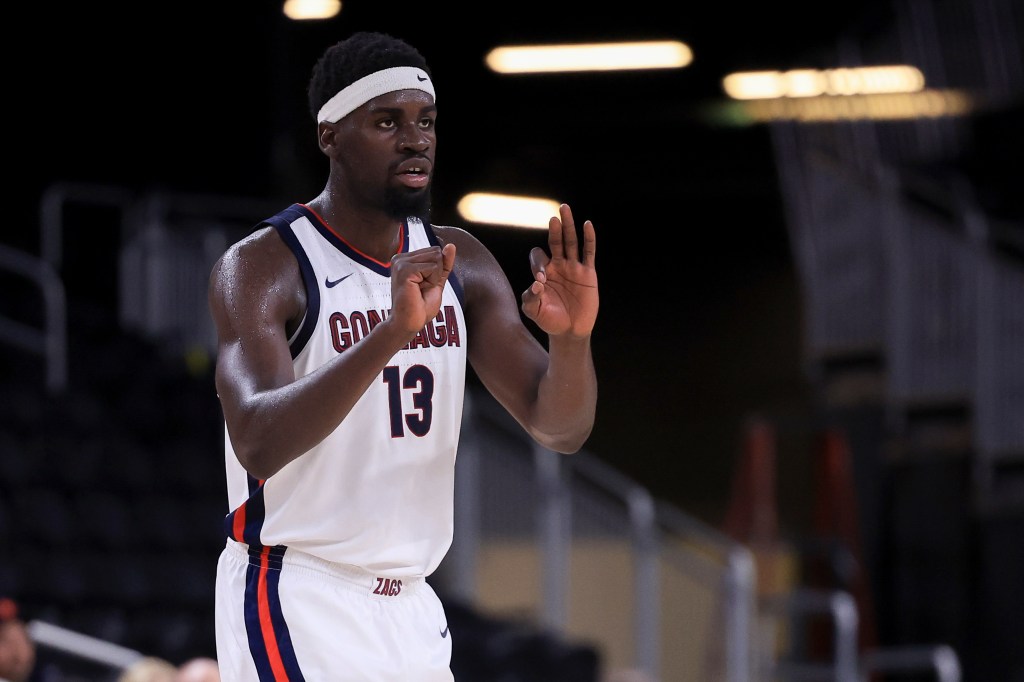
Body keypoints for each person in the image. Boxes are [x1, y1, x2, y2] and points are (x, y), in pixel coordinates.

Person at [207, 31, 598, 681]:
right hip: (297, 592)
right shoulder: (263, 266)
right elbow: (256, 440)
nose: (415, 139)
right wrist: (391, 332)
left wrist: (572, 342)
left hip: (412, 606)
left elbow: (560, 427)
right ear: (330, 134)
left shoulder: (462, 261)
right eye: (387, 121)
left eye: (426, 122)